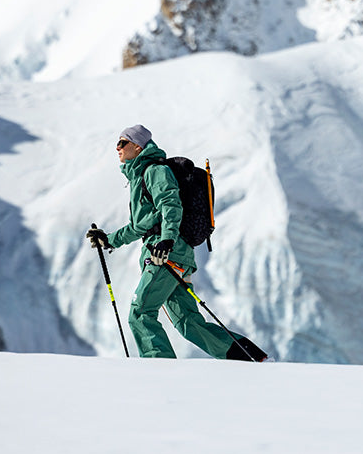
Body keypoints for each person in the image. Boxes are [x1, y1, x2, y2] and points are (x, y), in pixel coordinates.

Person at [86, 125, 266, 361]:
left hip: (165, 255)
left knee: (140, 313)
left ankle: (159, 371)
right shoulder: (141, 175)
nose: (117, 147)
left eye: (123, 142)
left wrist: (166, 241)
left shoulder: (154, 171)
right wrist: (109, 240)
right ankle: (252, 358)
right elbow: (141, 225)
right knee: (189, 322)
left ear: (137, 146)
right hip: (172, 254)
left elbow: (171, 206)